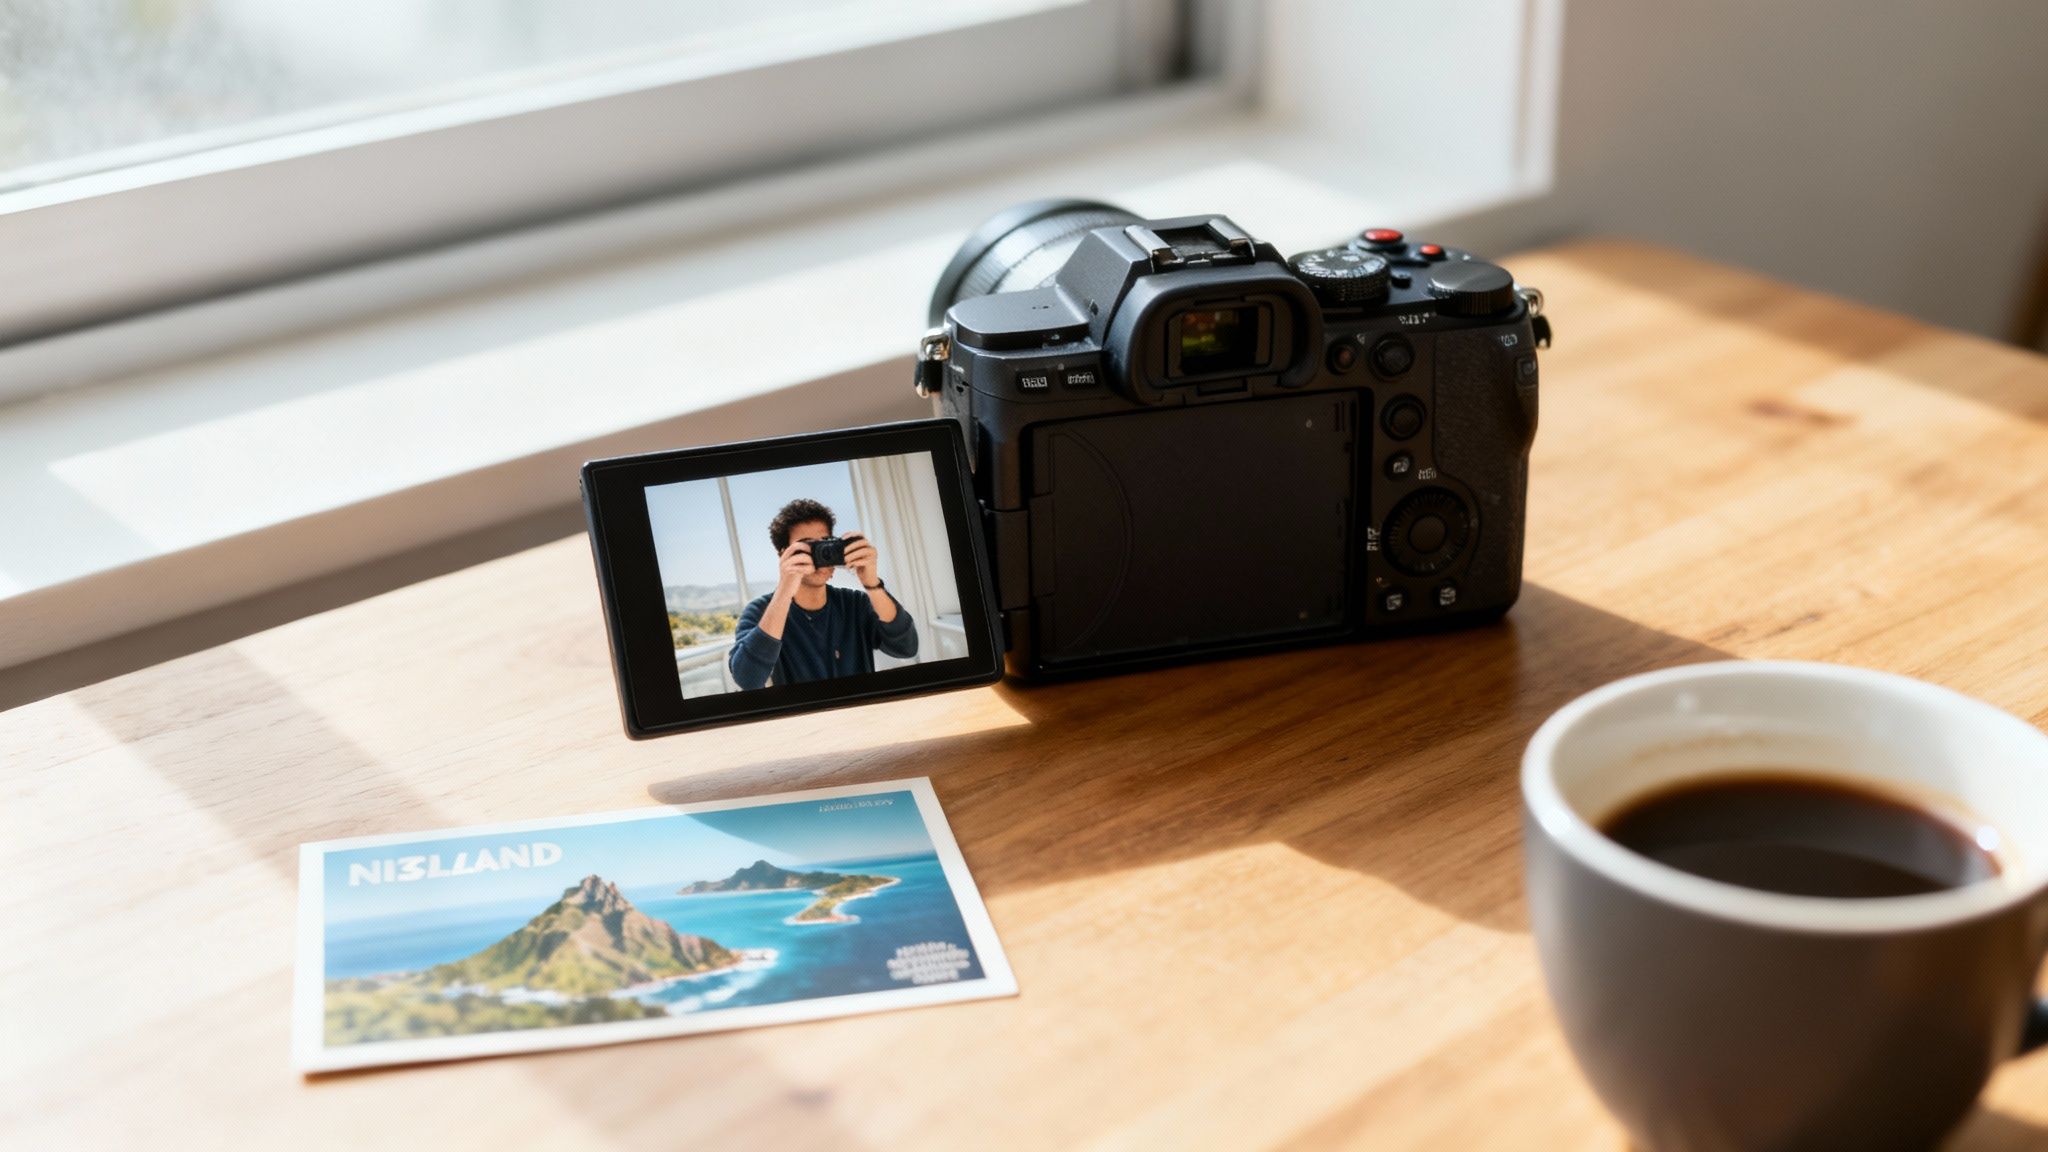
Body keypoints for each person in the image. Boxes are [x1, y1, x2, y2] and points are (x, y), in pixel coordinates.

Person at [727, 498, 918, 690]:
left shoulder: (855, 603)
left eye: (825, 544)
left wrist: (871, 583)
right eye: (806, 547)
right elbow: (747, 678)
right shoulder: (760, 611)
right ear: (783, 554)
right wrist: (785, 590)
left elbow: (907, 647)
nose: (819, 555)